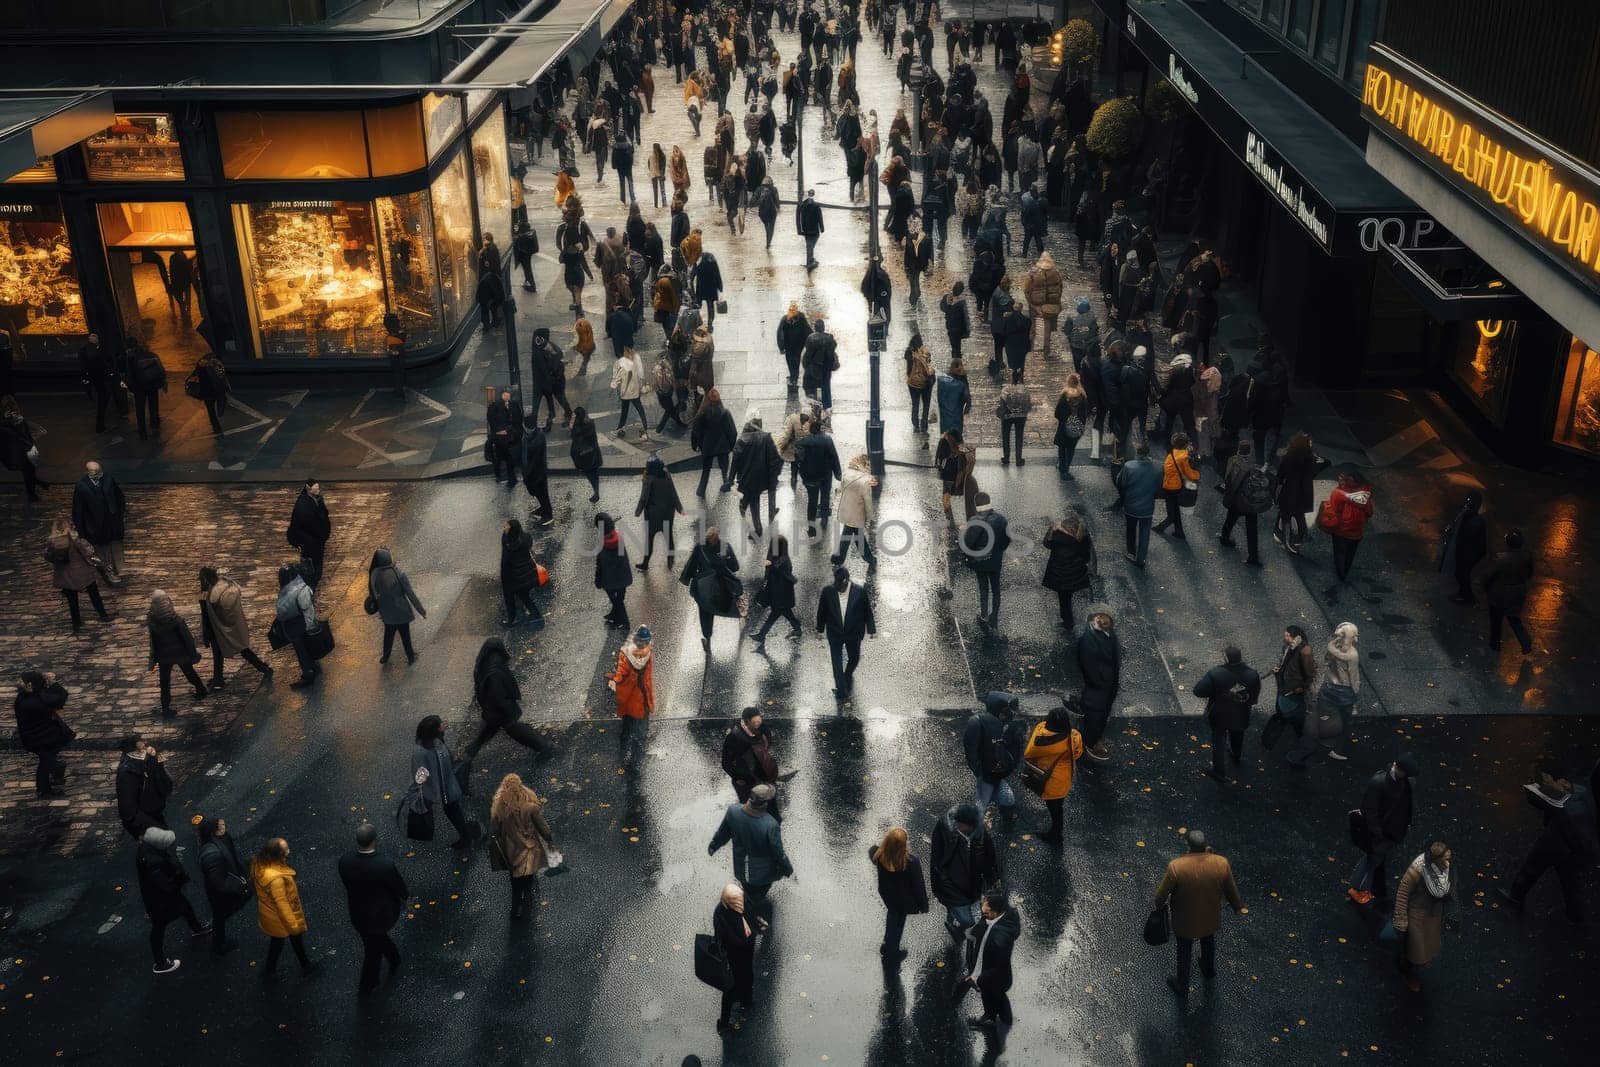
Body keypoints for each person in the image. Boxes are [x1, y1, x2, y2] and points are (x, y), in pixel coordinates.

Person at [1496, 766, 1595, 924]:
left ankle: (1516, 895)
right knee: (1569, 872)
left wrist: (1570, 790)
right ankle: (1575, 913)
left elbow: (1590, 793)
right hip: (1581, 833)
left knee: (1537, 859)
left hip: (1570, 823)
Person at [1153, 829, 1245, 995]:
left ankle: (1182, 985)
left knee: (1184, 949)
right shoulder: (1221, 863)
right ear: (1205, 845)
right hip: (1210, 915)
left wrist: (1159, 906)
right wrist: (1237, 906)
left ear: (1188, 846)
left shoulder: (1177, 867)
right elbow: (1230, 889)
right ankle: (1208, 969)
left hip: (1185, 919)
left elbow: (1161, 896)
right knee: (1208, 940)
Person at [337, 822, 409, 996]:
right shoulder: (384, 864)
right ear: (374, 840)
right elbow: (399, 888)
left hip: (358, 911)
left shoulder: (345, 861)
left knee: (372, 939)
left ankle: (393, 957)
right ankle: (367, 984)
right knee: (372, 950)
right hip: (381, 914)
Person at [709, 782, 793, 929]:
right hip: (762, 876)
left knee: (747, 890)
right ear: (765, 803)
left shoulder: (733, 811)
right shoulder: (770, 824)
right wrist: (787, 869)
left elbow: (723, 833)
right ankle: (747, 919)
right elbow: (778, 853)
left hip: (741, 868)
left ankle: (745, 910)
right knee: (754, 899)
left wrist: (713, 846)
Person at [1348, 754, 1419, 906]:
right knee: (1372, 860)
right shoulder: (1379, 783)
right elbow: (1370, 811)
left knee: (1374, 859)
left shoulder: (1404, 782)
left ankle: (1363, 888)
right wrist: (1377, 833)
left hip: (1391, 832)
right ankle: (1357, 889)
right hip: (1382, 833)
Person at [137, 826, 209, 975]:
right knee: (159, 928)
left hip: (159, 897)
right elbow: (164, 883)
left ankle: (196, 928)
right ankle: (160, 962)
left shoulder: (147, 850)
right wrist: (177, 879)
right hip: (160, 900)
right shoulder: (154, 861)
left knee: (185, 909)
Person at [490, 773, 557, 921]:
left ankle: (516, 909)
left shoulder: (500, 807)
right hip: (529, 848)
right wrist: (549, 840)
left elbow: (495, 827)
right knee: (528, 876)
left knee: (515, 881)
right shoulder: (530, 807)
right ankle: (527, 903)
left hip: (510, 849)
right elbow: (543, 828)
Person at [930, 802, 1001, 937]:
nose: (958, 826)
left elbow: (989, 856)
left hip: (969, 885)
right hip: (952, 888)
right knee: (968, 921)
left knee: (962, 913)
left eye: (962, 825)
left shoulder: (979, 835)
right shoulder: (945, 831)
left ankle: (953, 923)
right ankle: (957, 927)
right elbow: (938, 862)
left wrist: (993, 877)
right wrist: (944, 883)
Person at [251, 837, 317, 979]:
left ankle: (304, 964)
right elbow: (282, 904)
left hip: (269, 913)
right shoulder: (276, 880)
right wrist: (293, 925)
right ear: (278, 855)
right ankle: (271, 971)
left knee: (285, 941)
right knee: (281, 941)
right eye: (286, 849)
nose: (289, 850)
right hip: (280, 918)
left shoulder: (261, 863)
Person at [1192, 645, 1261, 782]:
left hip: (1220, 714)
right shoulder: (1252, 674)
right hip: (1241, 713)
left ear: (1226, 658)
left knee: (1218, 740)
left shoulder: (1216, 673)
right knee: (1238, 733)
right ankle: (1236, 754)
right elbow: (1254, 697)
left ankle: (1219, 771)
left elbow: (1198, 691)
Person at [1022, 699, 1085, 844]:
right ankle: (1056, 832)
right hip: (1064, 779)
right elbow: (1077, 754)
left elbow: (1028, 754)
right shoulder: (1073, 737)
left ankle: (1056, 834)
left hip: (1049, 781)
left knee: (1054, 809)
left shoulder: (1041, 737)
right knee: (1057, 807)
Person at [1393, 841, 1453, 991]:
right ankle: (1406, 969)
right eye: (1445, 859)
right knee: (1416, 949)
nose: (1447, 863)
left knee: (1427, 946)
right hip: (1416, 915)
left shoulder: (1443, 867)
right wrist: (1401, 919)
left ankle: (1409, 964)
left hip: (1432, 914)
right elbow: (1403, 892)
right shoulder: (1418, 869)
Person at [413, 715, 480, 849]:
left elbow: (422, 774)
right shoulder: (438, 744)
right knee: (453, 811)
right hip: (449, 787)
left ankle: (466, 837)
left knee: (453, 812)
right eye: (441, 724)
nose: (444, 725)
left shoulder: (425, 749)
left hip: (446, 789)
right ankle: (467, 834)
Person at [199, 567, 272, 688]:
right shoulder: (227, 585)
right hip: (230, 625)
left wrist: (206, 633)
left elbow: (206, 614)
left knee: (224, 651)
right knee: (239, 648)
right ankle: (262, 668)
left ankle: (262, 668)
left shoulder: (211, 596)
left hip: (216, 627)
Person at [962, 889, 1021, 1032]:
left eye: (986, 913)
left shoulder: (1000, 936)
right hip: (996, 975)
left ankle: (990, 1019)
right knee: (999, 996)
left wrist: (981, 978)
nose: (983, 916)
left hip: (993, 975)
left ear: (996, 912)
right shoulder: (998, 917)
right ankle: (1006, 1019)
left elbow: (997, 963)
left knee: (991, 995)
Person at [869, 827, 929, 963]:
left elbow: (872, 852)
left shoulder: (878, 854)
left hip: (888, 896)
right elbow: (918, 886)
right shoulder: (910, 862)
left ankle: (887, 943)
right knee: (899, 922)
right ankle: (892, 951)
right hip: (904, 900)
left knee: (891, 916)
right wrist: (923, 905)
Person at [816, 565, 876, 698]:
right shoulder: (828, 591)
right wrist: (820, 630)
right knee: (836, 663)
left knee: (854, 658)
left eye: (840, 585)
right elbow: (822, 611)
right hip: (834, 633)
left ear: (846, 581)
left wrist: (871, 629)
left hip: (854, 633)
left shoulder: (859, 591)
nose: (837, 587)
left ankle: (847, 675)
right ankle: (841, 690)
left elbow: (867, 611)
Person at [146, 589, 208, 718]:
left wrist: (154, 657)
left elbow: (153, 641)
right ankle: (201, 690)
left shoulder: (152, 620)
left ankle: (165, 706)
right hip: (180, 652)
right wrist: (193, 654)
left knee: (164, 681)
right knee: (189, 672)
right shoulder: (176, 619)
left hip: (164, 656)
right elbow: (187, 638)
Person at [964, 691, 1026, 814]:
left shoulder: (1007, 726)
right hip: (987, 774)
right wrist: (980, 772)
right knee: (982, 806)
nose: (1010, 715)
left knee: (1007, 801)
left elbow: (1015, 750)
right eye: (1006, 712)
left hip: (997, 773)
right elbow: (971, 752)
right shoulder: (978, 723)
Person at [196, 816, 250, 956]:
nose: (225, 826)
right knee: (220, 917)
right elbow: (219, 881)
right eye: (222, 825)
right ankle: (217, 948)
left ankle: (218, 945)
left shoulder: (221, 839)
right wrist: (239, 884)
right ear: (214, 831)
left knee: (220, 916)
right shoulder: (212, 853)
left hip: (222, 888)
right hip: (219, 893)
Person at [713, 882, 762, 1033]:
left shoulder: (740, 903)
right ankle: (724, 1023)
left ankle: (746, 1000)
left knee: (747, 976)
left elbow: (752, 916)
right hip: (733, 958)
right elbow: (729, 939)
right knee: (730, 989)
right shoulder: (722, 915)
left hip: (745, 955)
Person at [45, 519, 110, 632]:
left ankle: (76, 623)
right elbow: (86, 552)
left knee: (72, 599)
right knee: (93, 592)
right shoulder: (74, 539)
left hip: (65, 574)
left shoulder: (52, 542)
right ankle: (103, 614)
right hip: (81, 571)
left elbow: (48, 556)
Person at [15, 671, 72, 797]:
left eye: (21, 680)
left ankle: (55, 775)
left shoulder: (24, 698)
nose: (18, 682)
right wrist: (53, 683)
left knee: (48, 760)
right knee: (46, 762)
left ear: (29, 685)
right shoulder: (39, 700)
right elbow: (60, 696)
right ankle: (44, 790)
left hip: (34, 738)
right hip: (44, 739)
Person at [1075, 609, 1121, 761]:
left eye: (1106, 617)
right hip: (1099, 686)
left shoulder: (1110, 634)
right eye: (1100, 616)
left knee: (1101, 715)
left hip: (1108, 684)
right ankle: (1089, 743)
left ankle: (1091, 739)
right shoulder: (1088, 639)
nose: (1103, 620)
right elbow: (1088, 665)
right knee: (1096, 715)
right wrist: (1098, 682)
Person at [366, 548, 426, 665]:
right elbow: (410, 593)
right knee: (405, 636)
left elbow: (375, 595)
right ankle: (410, 657)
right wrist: (421, 610)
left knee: (388, 635)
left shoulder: (374, 575)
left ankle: (385, 657)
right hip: (401, 612)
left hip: (387, 614)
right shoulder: (398, 574)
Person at [71, 461, 127, 583]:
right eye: (94, 473)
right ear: (87, 472)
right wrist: (81, 531)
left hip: (111, 522)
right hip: (95, 525)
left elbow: (119, 498)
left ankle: (118, 568)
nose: (97, 475)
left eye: (99, 472)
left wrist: (119, 514)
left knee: (115, 546)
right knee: (103, 550)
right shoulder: (81, 486)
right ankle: (109, 572)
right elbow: (78, 510)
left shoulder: (108, 480)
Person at [1272, 432, 1328, 555]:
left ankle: (1280, 533)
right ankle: (1296, 541)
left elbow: (1281, 474)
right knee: (1299, 516)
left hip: (1289, 490)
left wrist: (1277, 486)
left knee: (1284, 512)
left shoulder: (1289, 456)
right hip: (1304, 492)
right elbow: (1322, 466)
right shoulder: (1311, 459)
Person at [1219, 438, 1272, 565]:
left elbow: (1228, 479)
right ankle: (1252, 556)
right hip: (1249, 501)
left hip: (1235, 500)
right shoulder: (1252, 465)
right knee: (1251, 528)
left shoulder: (1232, 460)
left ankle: (1225, 538)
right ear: (1250, 451)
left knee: (1230, 519)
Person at [1482, 529, 1535, 655]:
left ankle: (1495, 645)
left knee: (1496, 621)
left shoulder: (1500, 559)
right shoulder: (1527, 557)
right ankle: (1525, 642)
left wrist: (1485, 588)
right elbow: (1529, 574)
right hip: (1518, 593)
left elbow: (1489, 575)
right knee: (1514, 618)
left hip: (1500, 594)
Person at [731, 409, 783, 537]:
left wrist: (730, 478)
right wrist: (773, 474)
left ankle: (757, 528)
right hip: (761, 478)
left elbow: (735, 461)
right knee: (754, 501)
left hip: (746, 478)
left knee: (748, 503)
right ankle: (760, 524)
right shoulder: (766, 438)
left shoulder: (742, 440)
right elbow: (776, 458)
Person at [609, 625, 655, 766]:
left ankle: (625, 739)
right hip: (641, 697)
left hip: (629, 697)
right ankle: (636, 760)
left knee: (628, 718)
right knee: (641, 727)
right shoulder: (647, 654)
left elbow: (621, 673)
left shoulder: (626, 654)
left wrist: (615, 681)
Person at [963, 493, 1010, 631]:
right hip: (995, 561)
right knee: (996, 589)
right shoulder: (1001, 519)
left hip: (980, 562)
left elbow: (968, 544)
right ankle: (994, 617)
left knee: (983, 589)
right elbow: (1006, 540)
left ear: (976, 504)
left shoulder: (974, 520)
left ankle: (984, 615)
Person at [1041, 511, 1094, 631]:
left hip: (1060, 573)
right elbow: (1087, 556)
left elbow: (1047, 544)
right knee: (1074, 592)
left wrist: (1051, 530)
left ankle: (1068, 622)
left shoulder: (1057, 533)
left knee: (1064, 599)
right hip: (1077, 572)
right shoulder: (1083, 534)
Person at [1323, 470, 1375, 583]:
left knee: (1339, 552)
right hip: (1357, 531)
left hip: (1340, 529)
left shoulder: (1338, 493)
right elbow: (1370, 512)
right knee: (1350, 553)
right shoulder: (1366, 493)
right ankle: (1345, 571)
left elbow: (1335, 508)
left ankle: (1340, 574)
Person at [274, 562, 321, 688]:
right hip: (295, 624)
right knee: (302, 649)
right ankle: (312, 669)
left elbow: (307, 609)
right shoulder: (293, 588)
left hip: (298, 624)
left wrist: (310, 625)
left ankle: (308, 673)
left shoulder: (299, 590)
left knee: (302, 651)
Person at [1269, 624, 1317, 745]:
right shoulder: (1288, 646)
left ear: (1293, 637)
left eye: (1286, 635)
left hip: (1294, 687)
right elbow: (1285, 662)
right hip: (1284, 682)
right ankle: (1289, 721)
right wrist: (1279, 670)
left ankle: (1299, 731)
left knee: (1295, 709)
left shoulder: (1304, 651)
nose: (1284, 637)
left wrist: (1303, 687)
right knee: (1284, 703)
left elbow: (1310, 673)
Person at [116, 735, 172, 838]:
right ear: (131, 754)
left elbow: (166, 787)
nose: (146, 751)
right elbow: (128, 811)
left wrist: (156, 761)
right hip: (145, 821)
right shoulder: (128, 775)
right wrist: (143, 829)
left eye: (145, 747)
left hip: (155, 812)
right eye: (141, 750)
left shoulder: (147, 762)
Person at [634, 456, 683, 570]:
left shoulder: (648, 479)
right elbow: (673, 492)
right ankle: (670, 561)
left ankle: (645, 563)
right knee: (669, 537)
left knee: (649, 539)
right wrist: (679, 507)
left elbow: (643, 497)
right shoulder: (667, 475)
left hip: (653, 514)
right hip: (668, 513)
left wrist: (638, 511)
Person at [1116, 443, 1160, 566]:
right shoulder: (1157, 468)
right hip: (1148, 506)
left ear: (1137, 453)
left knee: (1131, 530)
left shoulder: (1129, 466)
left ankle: (1131, 553)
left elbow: (1120, 482)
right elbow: (1160, 487)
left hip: (1131, 505)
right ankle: (1141, 558)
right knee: (1145, 532)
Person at [833, 453, 879, 567]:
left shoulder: (847, 474)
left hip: (845, 511)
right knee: (857, 537)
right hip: (857, 514)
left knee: (848, 533)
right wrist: (871, 518)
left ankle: (838, 558)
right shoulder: (865, 481)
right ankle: (869, 559)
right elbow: (868, 502)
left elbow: (840, 489)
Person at [1153, 432, 1201, 539]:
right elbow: (1189, 472)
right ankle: (1178, 532)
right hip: (1174, 486)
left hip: (1170, 486)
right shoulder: (1183, 456)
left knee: (1172, 509)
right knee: (1173, 509)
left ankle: (1164, 528)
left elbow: (1185, 472)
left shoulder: (1174, 455)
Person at [498, 519, 546, 627]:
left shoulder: (508, 543)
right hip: (527, 574)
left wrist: (504, 578)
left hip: (513, 576)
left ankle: (512, 619)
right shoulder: (526, 538)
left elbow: (505, 561)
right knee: (524, 595)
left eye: (506, 526)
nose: (504, 527)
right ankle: (535, 615)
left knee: (510, 598)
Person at [691, 389, 738, 497]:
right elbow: (733, 432)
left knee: (705, 471)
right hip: (722, 446)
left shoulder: (702, 414)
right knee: (724, 468)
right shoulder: (725, 412)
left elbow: (696, 431)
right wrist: (730, 445)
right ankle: (725, 485)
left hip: (707, 446)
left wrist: (696, 445)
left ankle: (701, 491)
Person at [285, 479, 331, 589]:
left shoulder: (317, 500)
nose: (318, 490)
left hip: (318, 541)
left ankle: (311, 584)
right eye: (316, 487)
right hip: (311, 543)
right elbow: (298, 525)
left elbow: (323, 515)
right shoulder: (303, 505)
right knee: (311, 568)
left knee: (316, 566)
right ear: (309, 489)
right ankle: (308, 588)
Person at [594, 512, 634, 628]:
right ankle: (614, 614)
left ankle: (623, 622)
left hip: (609, 580)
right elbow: (624, 560)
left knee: (616, 600)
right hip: (623, 577)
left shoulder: (602, 543)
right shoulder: (619, 539)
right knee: (619, 598)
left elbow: (600, 564)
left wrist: (598, 580)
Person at [487, 390, 525, 485]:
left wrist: (519, 432)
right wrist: (498, 432)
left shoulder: (514, 405)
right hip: (501, 436)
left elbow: (519, 419)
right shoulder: (494, 406)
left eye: (508, 395)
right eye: (505, 395)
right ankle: (502, 476)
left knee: (511, 455)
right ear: (501, 396)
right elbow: (492, 421)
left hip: (512, 434)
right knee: (502, 457)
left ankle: (511, 476)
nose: (507, 397)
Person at [1053, 374, 1088, 477]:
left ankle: (1062, 467)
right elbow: (1084, 413)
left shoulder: (1064, 395)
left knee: (1062, 448)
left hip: (1064, 426)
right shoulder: (1082, 396)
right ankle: (1066, 468)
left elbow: (1057, 413)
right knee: (1071, 448)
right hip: (1077, 425)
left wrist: (1063, 420)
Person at [801, 317, 839, 410]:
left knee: (811, 385)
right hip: (826, 368)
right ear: (823, 327)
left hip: (814, 367)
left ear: (815, 328)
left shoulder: (811, 338)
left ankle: (814, 405)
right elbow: (832, 350)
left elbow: (807, 356)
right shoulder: (829, 338)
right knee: (826, 387)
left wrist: (806, 366)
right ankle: (827, 406)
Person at [904, 334, 935, 435]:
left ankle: (915, 424)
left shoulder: (909, 353)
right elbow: (929, 365)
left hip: (912, 383)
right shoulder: (924, 352)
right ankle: (924, 426)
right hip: (925, 383)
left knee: (915, 404)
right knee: (926, 405)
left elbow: (908, 369)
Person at [995, 376, 1030, 465]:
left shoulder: (1006, 389)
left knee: (1006, 436)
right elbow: (1028, 404)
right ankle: (1018, 459)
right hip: (1021, 416)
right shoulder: (1025, 390)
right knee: (1019, 437)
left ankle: (1006, 458)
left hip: (1007, 415)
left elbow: (1002, 401)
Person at [797, 187, 825, 270]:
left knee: (809, 245)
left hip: (806, 230)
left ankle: (810, 261)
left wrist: (801, 229)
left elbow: (800, 218)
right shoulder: (816, 206)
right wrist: (822, 228)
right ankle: (810, 262)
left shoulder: (803, 206)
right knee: (810, 246)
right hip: (814, 230)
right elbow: (820, 218)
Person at [512, 222, 539, 291]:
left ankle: (532, 286)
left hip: (524, 255)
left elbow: (516, 242)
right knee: (527, 270)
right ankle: (528, 283)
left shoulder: (521, 236)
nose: (516, 229)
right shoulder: (530, 233)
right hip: (527, 253)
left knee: (527, 270)